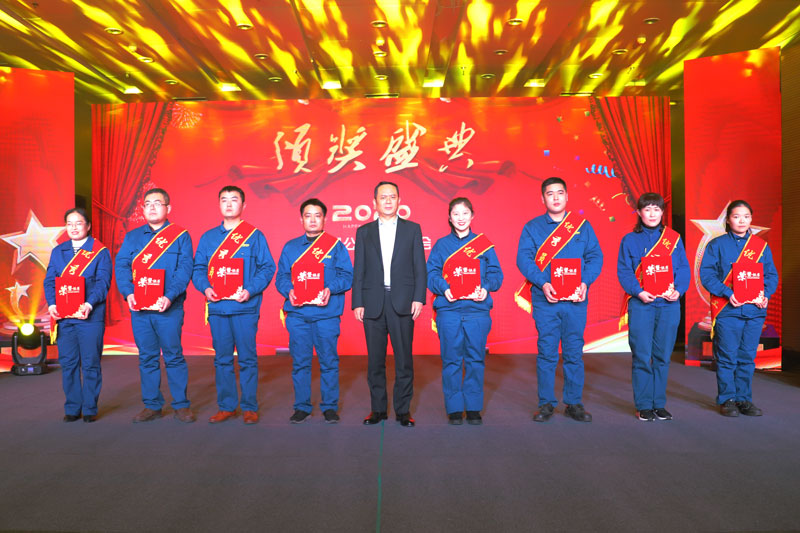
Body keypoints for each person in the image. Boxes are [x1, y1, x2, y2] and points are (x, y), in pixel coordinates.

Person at [516, 177, 603, 423]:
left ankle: (573, 403)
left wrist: (585, 282)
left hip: (575, 301)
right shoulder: (532, 227)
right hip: (546, 300)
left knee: (574, 352)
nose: (555, 197)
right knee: (547, 352)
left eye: (560, 192)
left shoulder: (582, 226)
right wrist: (543, 283)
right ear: (542, 198)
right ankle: (546, 403)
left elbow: (595, 257)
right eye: (550, 193)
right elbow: (524, 259)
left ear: (567, 196)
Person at [192, 185, 275, 425]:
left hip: (245, 308)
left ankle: (249, 407)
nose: (228, 204)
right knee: (222, 359)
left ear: (243, 205)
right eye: (224, 200)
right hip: (218, 308)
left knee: (247, 358)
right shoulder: (208, 238)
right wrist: (206, 288)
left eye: (234, 199)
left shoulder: (254, 236)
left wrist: (250, 290)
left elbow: (267, 267)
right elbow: (198, 268)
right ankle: (227, 406)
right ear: (219, 204)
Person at [115, 188, 196, 423]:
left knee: (173, 355)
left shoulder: (180, 236)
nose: (151, 207)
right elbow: (122, 266)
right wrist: (128, 293)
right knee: (147, 357)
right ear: (143, 209)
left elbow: (185, 270)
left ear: (168, 208)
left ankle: (181, 405)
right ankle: (152, 405)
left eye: (157, 203)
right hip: (140, 309)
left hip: (168, 308)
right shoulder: (132, 237)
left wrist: (169, 296)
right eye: (147, 204)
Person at [353, 181, 426, 427]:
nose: (387, 201)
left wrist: (418, 297)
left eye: (392, 196)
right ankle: (377, 410)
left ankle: (403, 411)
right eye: (383, 197)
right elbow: (359, 269)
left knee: (404, 360)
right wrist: (357, 301)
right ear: (374, 202)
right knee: (375, 361)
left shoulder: (412, 229)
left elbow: (420, 267)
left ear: (399, 200)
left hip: (403, 301)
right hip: (373, 302)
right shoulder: (364, 232)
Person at [426, 198, 503, 425]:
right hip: (449, 311)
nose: (461, 218)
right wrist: (445, 289)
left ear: (472, 216)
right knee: (451, 360)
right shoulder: (441, 245)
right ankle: (454, 408)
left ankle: (473, 407)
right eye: (456, 214)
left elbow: (496, 275)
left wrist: (485, 288)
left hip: (477, 311)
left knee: (475, 359)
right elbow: (431, 275)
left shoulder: (484, 245)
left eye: (465, 213)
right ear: (450, 218)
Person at [275, 198, 353, 424]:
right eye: (307, 215)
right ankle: (302, 407)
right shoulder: (290, 247)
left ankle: (329, 407)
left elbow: (347, 276)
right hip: (298, 315)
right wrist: (288, 290)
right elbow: (281, 277)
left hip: (326, 314)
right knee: (300, 362)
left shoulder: (335, 246)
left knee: (329, 361)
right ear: (301, 219)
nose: (312, 220)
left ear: (324, 219)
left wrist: (330, 289)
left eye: (317, 215)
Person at [699, 200, 778, 417]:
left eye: (746, 216)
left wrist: (765, 294)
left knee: (747, 357)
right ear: (728, 220)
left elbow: (771, 275)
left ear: (751, 219)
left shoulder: (761, 246)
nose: (741, 220)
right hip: (728, 309)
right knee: (727, 357)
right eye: (736, 216)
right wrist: (727, 292)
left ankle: (744, 399)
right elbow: (707, 275)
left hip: (754, 311)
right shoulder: (717, 245)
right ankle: (728, 399)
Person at [617, 193, 690, 421]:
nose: (652, 214)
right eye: (647, 209)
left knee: (662, 356)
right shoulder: (629, 240)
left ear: (662, 213)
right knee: (642, 355)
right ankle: (643, 405)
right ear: (639, 213)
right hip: (642, 304)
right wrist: (638, 292)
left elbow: (683, 269)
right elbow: (624, 271)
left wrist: (679, 290)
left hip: (668, 305)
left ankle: (659, 404)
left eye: (656, 209)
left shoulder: (674, 239)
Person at [44, 208, 112, 423]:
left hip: (90, 316)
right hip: (65, 318)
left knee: (90, 362)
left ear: (88, 225)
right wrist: (52, 304)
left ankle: (90, 407)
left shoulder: (100, 251)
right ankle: (73, 407)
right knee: (69, 363)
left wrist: (89, 304)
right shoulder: (58, 251)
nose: (73, 227)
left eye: (78, 223)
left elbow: (103, 283)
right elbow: (50, 281)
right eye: (69, 223)